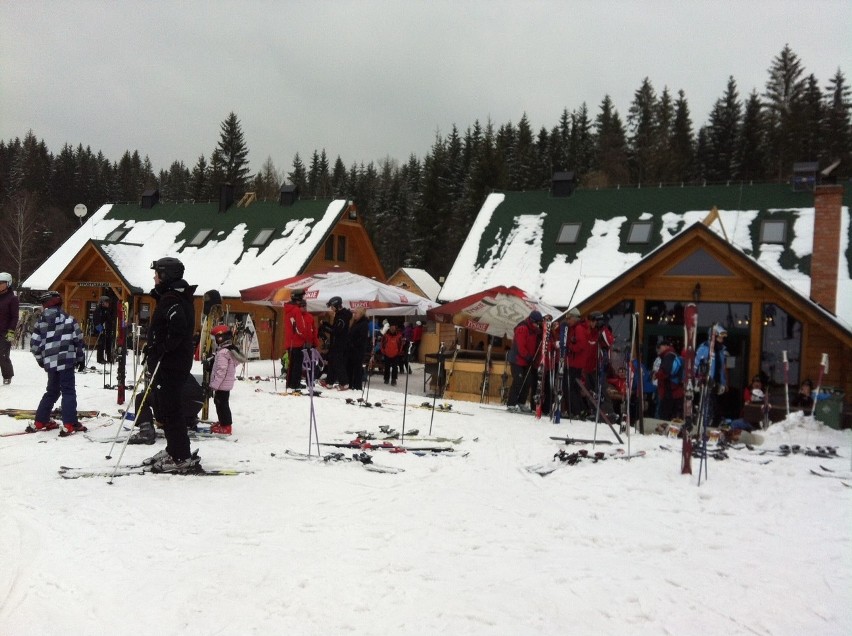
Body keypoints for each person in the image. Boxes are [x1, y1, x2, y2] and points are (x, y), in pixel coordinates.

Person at [142, 257, 200, 473]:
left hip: (172, 363)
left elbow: (177, 331)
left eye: (157, 273)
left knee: (171, 409)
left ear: (167, 275)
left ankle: (180, 455)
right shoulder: (171, 296)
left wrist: (160, 348)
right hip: (171, 361)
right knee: (166, 407)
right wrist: (154, 347)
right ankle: (174, 448)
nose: (154, 277)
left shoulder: (173, 299)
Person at [29, 291, 87, 435]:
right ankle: (70, 422)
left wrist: (41, 360)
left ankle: (40, 420)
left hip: (50, 362)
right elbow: (78, 340)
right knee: (68, 391)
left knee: (52, 391)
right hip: (66, 361)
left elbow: (34, 345)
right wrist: (80, 358)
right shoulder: (69, 319)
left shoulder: (40, 323)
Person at [208, 325, 245, 435]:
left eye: (215, 339)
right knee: (220, 403)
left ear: (220, 338)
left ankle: (226, 426)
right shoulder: (228, 350)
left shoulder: (223, 353)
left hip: (221, 385)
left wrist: (214, 385)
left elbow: (221, 370)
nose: (214, 341)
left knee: (221, 404)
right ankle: (223, 422)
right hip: (225, 384)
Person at [506, 310, 542, 412]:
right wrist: (527, 356)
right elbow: (520, 346)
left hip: (526, 361)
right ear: (532, 320)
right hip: (517, 360)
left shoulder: (534, 330)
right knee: (518, 381)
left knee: (527, 382)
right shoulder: (522, 328)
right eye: (537, 323)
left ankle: (521, 402)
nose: (537, 325)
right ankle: (511, 404)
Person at [695, 324, 729, 427]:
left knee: (716, 409)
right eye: (720, 337)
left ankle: (711, 427)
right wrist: (695, 380)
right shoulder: (704, 348)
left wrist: (724, 383)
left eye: (723, 337)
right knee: (706, 407)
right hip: (706, 383)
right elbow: (695, 365)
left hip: (716, 384)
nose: (722, 339)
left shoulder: (721, 351)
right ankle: (703, 427)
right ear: (713, 336)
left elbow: (721, 369)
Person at [320, 296, 352, 389]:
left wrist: (325, 328)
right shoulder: (339, 315)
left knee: (338, 363)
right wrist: (326, 324)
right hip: (336, 343)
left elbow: (336, 331)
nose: (331, 309)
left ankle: (344, 383)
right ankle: (329, 382)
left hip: (340, 344)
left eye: (332, 307)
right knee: (332, 361)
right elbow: (335, 328)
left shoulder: (342, 316)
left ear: (337, 306)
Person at [283, 289, 311, 390]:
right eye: (302, 298)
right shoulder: (296, 310)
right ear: (298, 299)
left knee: (291, 363)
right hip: (297, 341)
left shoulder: (288, 309)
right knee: (297, 364)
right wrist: (305, 338)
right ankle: (295, 383)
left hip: (290, 340)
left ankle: (290, 382)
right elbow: (300, 328)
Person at [563, 307, 588, 418]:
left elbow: (581, 345)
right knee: (572, 387)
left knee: (570, 387)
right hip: (574, 362)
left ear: (574, 318)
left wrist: (570, 347)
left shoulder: (579, 328)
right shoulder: (575, 328)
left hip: (575, 363)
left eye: (569, 318)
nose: (567, 321)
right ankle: (575, 410)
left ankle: (576, 411)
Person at [654, 340, 683, 420]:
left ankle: (665, 432)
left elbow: (665, 372)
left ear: (666, 346)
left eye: (659, 347)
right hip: (676, 391)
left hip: (669, 391)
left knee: (664, 415)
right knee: (673, 416)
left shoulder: (668, 356)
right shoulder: (674, 355)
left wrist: (656, 375)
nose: (657, 349)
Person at [0, 272, 19, 385]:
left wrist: (11, 331)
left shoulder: (12, 299)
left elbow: (14, 317)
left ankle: (7, 376)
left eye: (1, 283)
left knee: (2, 355)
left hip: (5, 332)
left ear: (8, 284)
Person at [346, 308, 370, 391]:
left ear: (361, 314)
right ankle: (350, 384)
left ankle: (357, 386)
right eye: (354, 313)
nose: (354, 314)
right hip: (352, 349)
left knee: (357, 368)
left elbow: (362, 338)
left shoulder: (363, 324)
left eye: (356, 313)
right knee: (350, 367)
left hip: (358, 350)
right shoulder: (355, 322)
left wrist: (353, 344)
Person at [94, 295, 115, 364]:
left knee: (108, 343)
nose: (108, 304)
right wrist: (100, 330)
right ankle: (100, 359)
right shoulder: (98, 310)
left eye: (108, 302)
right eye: (106, 302)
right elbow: (96, 321)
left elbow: (109, 319)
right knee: (101, 344)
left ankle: (109, 358)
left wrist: (111, 326)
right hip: (100, 329)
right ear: (102, 303)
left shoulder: (107, 310)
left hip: (107, 329)